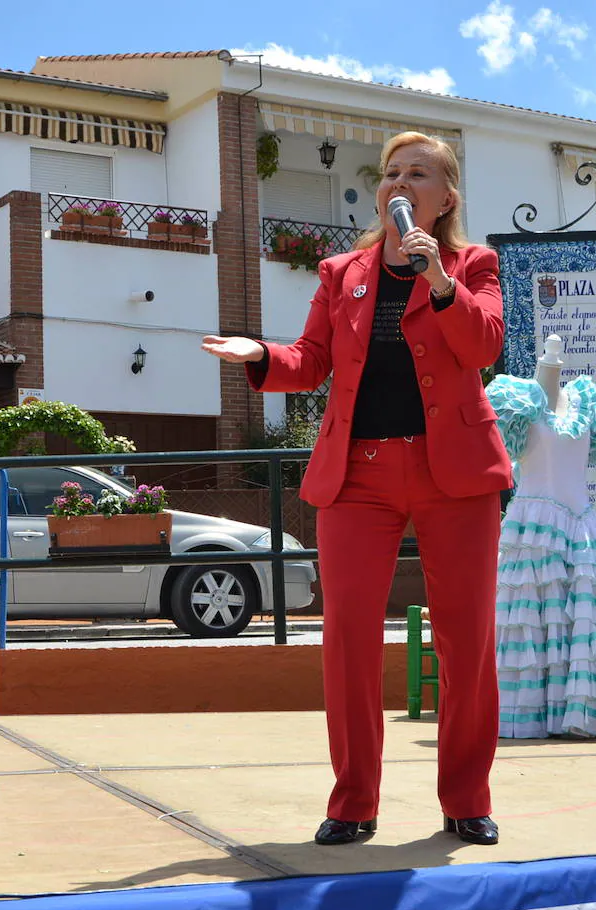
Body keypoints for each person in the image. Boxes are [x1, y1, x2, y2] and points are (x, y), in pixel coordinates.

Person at [202, 130, 511, 846]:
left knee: (466, 641)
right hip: (358, 476)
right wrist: (262, 354)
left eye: (417, 174)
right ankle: (353, 802)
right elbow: (310, 361)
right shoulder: (342, 272)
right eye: (391, 173)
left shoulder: (474, 264)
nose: (399, 183)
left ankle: (467, 796)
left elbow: (484, 345)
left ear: (445, 198)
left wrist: (440, 283)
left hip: (454, 474)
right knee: (345, 639)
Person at [487, 336, 596, 739]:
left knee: (582, 621)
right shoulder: (516, 401)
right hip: (534, 525)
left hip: (580, 525)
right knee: (533, 621)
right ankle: (531, 714)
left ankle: (585, 712)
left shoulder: (589, 403)